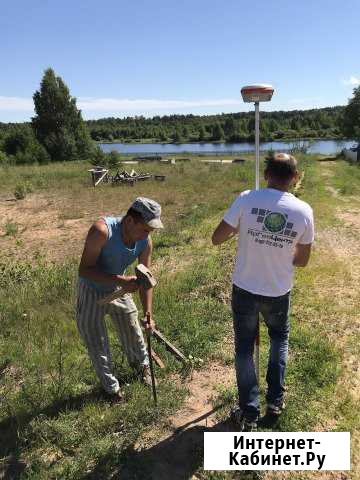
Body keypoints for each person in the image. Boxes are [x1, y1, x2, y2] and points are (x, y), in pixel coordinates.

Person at [212, 152, 314, 431]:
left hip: (245, 288)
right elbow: (303, 260)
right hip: (278, 290)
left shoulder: (247, 199)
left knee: (245, 348)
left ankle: (248, 413)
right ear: (295, 177)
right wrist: (281, 254)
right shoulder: (304, 211)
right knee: (279, 338)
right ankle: (275, 401)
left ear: (266, 174)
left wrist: (241, 230)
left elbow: (216, 238)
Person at [76, 197, 163, 401]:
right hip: (91, 290)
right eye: (145, 228)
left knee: (133, 331)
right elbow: (84, 270)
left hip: (118, 287)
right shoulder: (102, 232)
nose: (147, 234)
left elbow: (145, 278)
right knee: (97, 342)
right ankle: (112, 390)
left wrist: (148, 313)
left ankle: (142, 368)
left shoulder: (145, 242)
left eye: (150, 230)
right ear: (130, 221)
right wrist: (121, 280)